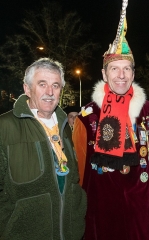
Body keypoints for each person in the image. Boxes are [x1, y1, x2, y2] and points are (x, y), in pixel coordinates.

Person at [72, 1, 149, 239]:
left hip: (146, 213)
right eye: (114, 69)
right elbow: (80, 172)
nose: (121, 75)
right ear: (104, 74)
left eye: (127, 69)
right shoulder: (87, 117)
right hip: (104, 213)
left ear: (134, 74)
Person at [0, 58, 86, 240]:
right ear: (27, 89)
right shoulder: (5, 128)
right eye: (42, 84)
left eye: (55, 85)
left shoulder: (66, 127)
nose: (49, 92)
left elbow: (73, 182)